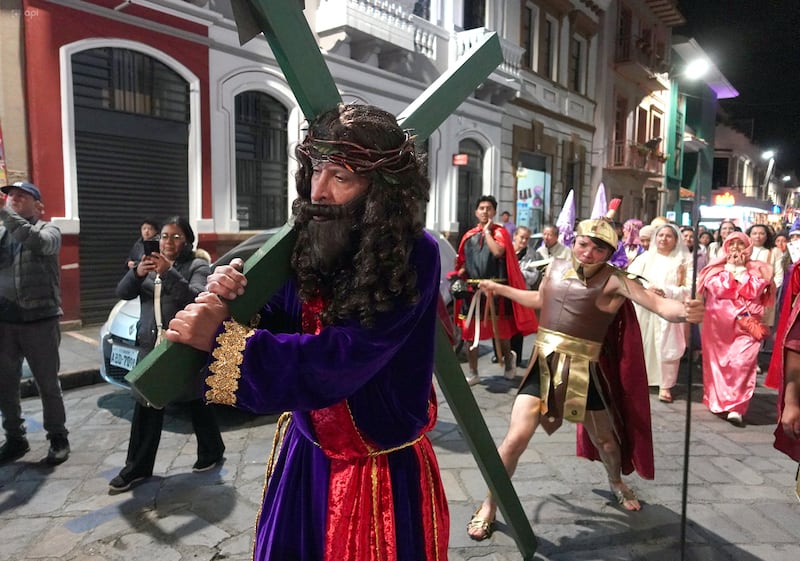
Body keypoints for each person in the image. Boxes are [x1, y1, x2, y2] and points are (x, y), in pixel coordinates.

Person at [164, 104, 450, 560]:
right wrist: (238, 301)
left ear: (380, 190)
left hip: (374, 471)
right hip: (307, 453)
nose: (319, 190)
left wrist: (223, 341)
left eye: (342, 176)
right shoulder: (313, 235)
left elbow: (340, 359)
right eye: (317, 168)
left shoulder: (415, 253)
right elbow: (283, 315)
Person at [466, 213, 703, 540]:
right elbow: (539, 300)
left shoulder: (616, 280)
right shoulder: (555, 266)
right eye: (583, 243)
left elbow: (660, 306)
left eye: (598, 248)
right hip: (545, 363)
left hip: (584, 370)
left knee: (606, 441)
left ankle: (616, 481)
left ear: (608, 252)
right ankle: (489, 505)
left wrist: (686, 311)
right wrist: (500, 290)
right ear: (574, 241)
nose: (587, 252)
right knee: (514, 440)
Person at [108, 216, 225, 493]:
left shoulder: (197, 265)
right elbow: (123, 292)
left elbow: (197, 298)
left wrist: (170, 271)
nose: (168, 242)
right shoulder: (147, 266)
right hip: (151, 346)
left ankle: (211, 449)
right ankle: (137, 468)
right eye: (164, 236)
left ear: (187, 241)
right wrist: (137, 272)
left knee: (195, 399)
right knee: (147, 401)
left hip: (181, 347)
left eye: (175, 237)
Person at [0, 181, 70, 465]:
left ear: (38, 204)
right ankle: (15, 439)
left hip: (40, 320)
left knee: (47, 383)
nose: (13, 198)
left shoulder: (49, 230)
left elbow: (38, 243)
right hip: (5, 322)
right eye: (10, 195)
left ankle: (57, 437)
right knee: (5, 384)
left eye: (20, 195)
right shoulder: (3, 234)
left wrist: (6, 215)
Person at [454, 195, 538, 385]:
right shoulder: (468, 236)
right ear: (476, 212)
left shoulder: (500, 233)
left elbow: (498, 252)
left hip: (496, 291)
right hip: (473, 291)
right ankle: (473, 372)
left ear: (494, 212)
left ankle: (509, 361)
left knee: (502, 334)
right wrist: (459, 273)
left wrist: (487, 232)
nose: (485, 211)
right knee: (469, 335)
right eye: (482, 208)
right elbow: (464, 262)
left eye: (489, 208)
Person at [698, 232, 774, 427]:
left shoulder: (759, 269)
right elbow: (719, 289)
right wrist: (732, 269)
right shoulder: (714, 269)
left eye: (741, 245)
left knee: (743, 363)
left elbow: (754, 290)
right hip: (717, 327)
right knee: (718, 364)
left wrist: (741, 270)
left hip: (746, 325)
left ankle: (737, 407)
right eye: (732, 244)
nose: (736, 249)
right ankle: (718, 400)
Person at [627, 224, 692, 403]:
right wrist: (648, 287)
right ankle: (641, 380)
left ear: (676, 239)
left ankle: (666, 385)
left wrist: (668, 291)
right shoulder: (645, 258)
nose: (663, 239)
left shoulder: (684, 260)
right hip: (645, 306)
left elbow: (691, 287)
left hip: (670, 308)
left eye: (668, 236)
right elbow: (630, 277)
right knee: (644, 343)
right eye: (660, 235)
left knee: (668, 346)